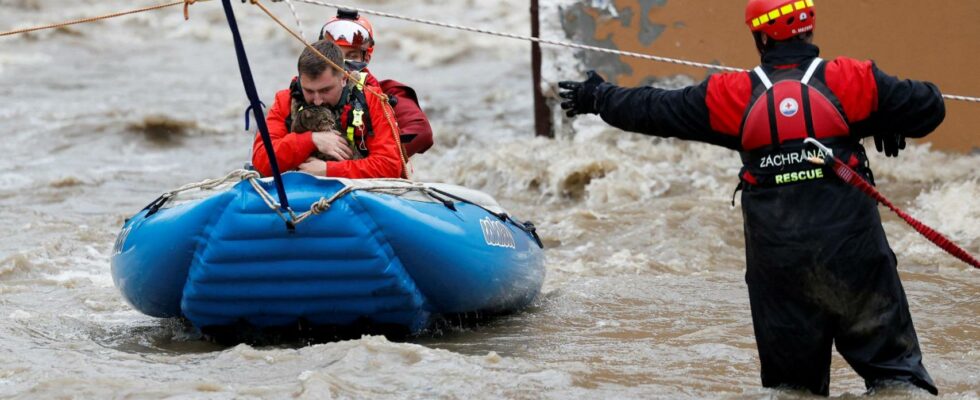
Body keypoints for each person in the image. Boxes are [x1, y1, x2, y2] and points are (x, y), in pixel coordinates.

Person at [558, 0, 944, 396]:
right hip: (857, 264)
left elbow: (656, 108)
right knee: (898, 382)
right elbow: (932, 106)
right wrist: (884, 118)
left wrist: (598, 97)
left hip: (780, 275)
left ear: (760, 36)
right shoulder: (854, 79)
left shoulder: (732, 94)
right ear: (809, 27)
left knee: (793, 391)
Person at [251, 39, 404, 179]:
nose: (317, 101)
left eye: (325, 90)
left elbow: (390, 166)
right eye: (309, 91)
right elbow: (262, 161)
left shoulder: (372, 100)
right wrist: (310, 140)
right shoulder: (285, 100)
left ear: (344, 78)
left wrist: (328, 170)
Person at [319, 9, 434, 158]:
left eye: (352, 55)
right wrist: (309, 140)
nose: (342, 64)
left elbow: (422, 133)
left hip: (367, 174)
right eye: (336, 55)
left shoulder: (388, 92)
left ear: (366, 58)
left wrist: (376, 158)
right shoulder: (307, 90)